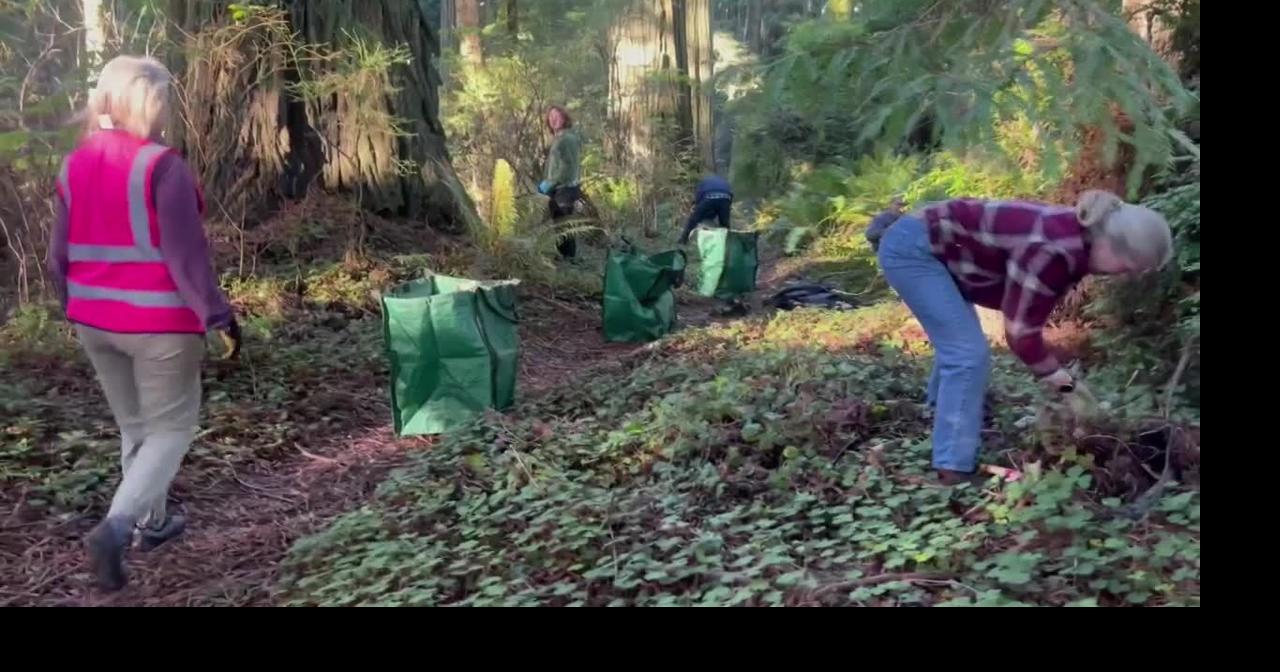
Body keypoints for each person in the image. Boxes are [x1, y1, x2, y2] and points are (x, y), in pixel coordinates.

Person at [47, 55, 240, 591]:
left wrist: (75, 307)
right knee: (171, 429)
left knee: (135, 427)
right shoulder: (161, 166)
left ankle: (153, 524)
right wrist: (218, 316)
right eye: (162, 106)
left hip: (94, 321)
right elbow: (185, 259)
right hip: (159, 324)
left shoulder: (74, 164)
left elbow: (56, 258)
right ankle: (117, 526)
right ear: (149, 106)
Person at [874, 191, 1172, 485]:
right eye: (1129, 267)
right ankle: (953, 467)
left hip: (937, 246)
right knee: (966, 354)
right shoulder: (1053, 250)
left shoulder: (1075, 239)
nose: (1124, 276)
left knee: (960, 341)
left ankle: (935, 414)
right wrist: (1069, 388)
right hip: (914, 249)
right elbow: (1021, 336)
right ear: (1110, 245)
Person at [537, 105, 584, 260]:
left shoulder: (567, 139)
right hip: (557, 188)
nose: (553, 119)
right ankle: (564, 256)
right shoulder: (559, 138)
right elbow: (556, 165)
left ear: (564, 118)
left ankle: (570, 259)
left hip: (566, 189)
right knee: (559, 224)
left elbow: (569, 167)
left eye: (557, 116)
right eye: (550, 117)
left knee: (564, 224)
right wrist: (547, 182)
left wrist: (551, 183)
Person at [677, 174, 733, 246]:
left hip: (709, 197)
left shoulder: (702, 182)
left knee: (693, 219)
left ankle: (683, 241)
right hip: (726, 197)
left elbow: (699, 196)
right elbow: (731, 194)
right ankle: (728, 242)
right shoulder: (723, 181)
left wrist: (696, 206)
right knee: (725, 224)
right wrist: (727, 206)